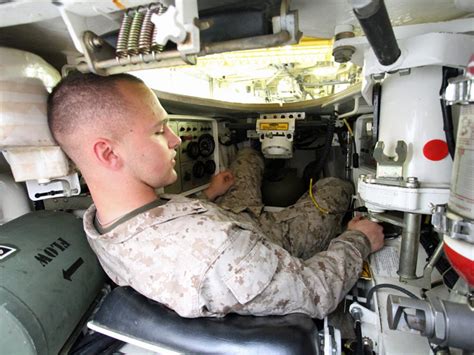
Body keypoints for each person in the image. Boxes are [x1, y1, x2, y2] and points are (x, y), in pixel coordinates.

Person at [47, 72, 384, 319]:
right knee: (334, 188)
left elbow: (167, 228)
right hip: (271, 239)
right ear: (108, 154)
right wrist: (358, 239)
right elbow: (315, 293)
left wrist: (209, 194)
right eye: (157, 130)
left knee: (248, 159)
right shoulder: (219, 253)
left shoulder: (102, 221)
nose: (174, 140)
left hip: (230, 216)